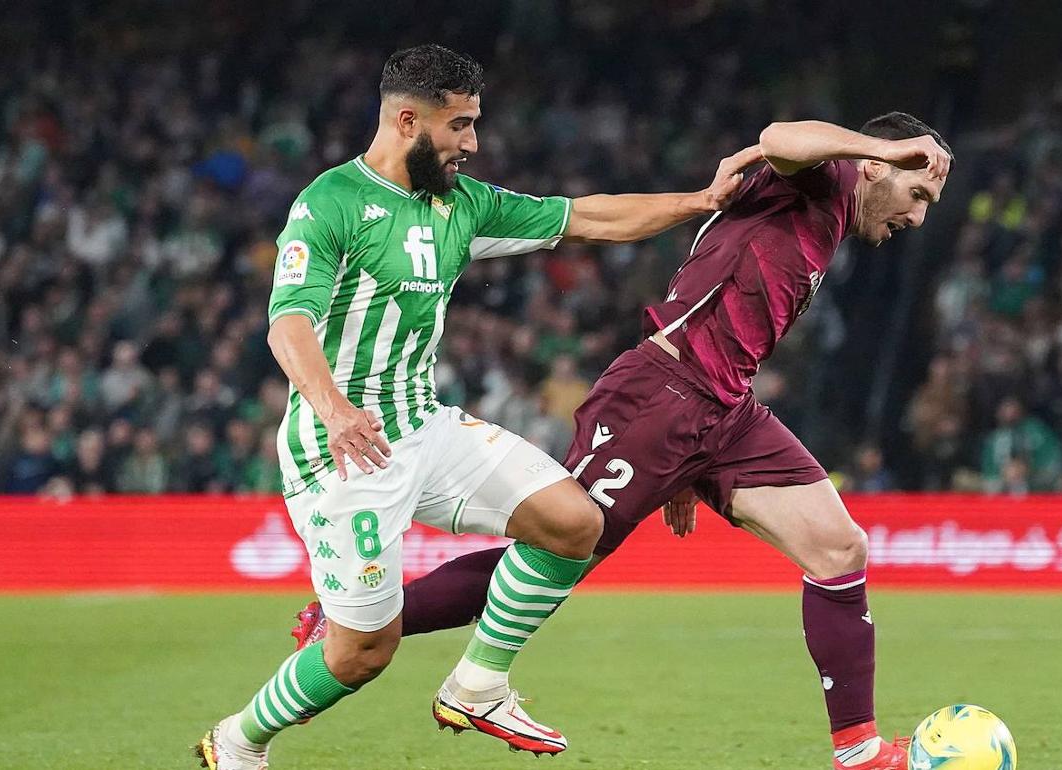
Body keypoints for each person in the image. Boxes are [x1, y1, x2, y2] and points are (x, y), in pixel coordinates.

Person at [292, 112, 952, 769]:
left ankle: (860, 751)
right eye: (917, 194)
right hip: (660, 398)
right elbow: (778, 138)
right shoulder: (821, 176)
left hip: (726, 408)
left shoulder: (831, 210)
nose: (917, 218)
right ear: (876, 166)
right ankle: (355, 622)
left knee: (839, 548)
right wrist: (890, 146)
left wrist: (694, 468)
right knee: (560, 548)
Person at [197, 43, 752, 770]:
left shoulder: (464, 206)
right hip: (342, 451)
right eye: (459, 125)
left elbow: (589, 218)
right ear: (407, 120)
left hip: (422, 425)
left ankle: (479, 682)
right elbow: (288, 321)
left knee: (574, 521)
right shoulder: (330, 203)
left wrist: (700, 203)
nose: (473, 143)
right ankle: (239, 741)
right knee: (362, 652)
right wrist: (334, 409)